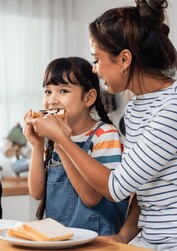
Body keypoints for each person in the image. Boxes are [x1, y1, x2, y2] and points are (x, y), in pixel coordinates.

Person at [27, 0, 177, 251]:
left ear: (124, 59)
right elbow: (142, 183)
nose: (95, 69)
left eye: (97, 60)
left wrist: (61, 137)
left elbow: (117, 186)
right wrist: (123, 237)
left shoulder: (176, 105)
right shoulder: (136, 106)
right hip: (153, 239)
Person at [23, 57, 129, 236]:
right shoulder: (51, 136)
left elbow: (91, 199)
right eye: (48, 91)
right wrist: (37, 145)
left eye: (63, 91)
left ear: (89, 98)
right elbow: (36, 192)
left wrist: (62, 142)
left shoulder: (104, 134)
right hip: (59, 238)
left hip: (97, 241)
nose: (52, 100)